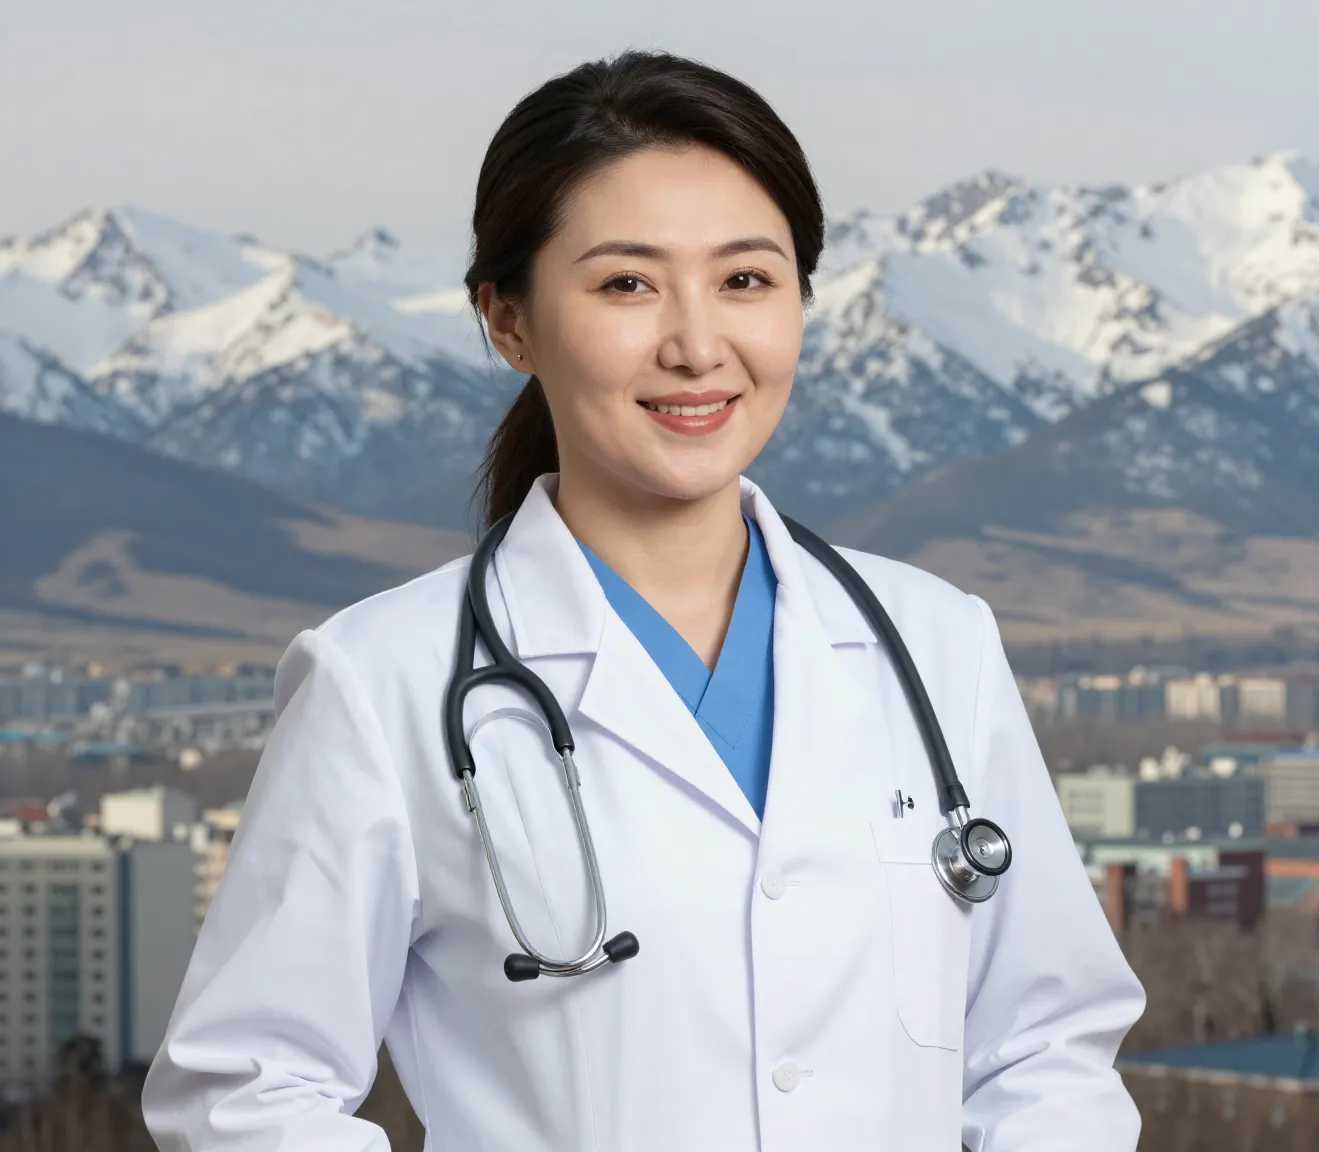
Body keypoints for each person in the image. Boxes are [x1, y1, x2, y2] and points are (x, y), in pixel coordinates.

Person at [141, 51, 1144, 1151]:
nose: (697, 344)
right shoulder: (381, 683)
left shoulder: (934, 642)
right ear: (506, 320)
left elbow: (1043, 1050)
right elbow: (247, 1093)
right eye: (626, 283)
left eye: (745, 280)